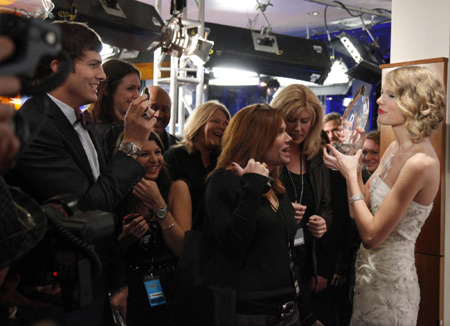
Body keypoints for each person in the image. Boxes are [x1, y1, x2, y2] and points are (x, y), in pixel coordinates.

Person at [5, 21, 157, 326]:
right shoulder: (35, 126)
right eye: (93, 64)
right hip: (53, 295)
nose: (102, 75)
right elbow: (87, 209)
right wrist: (130, 144)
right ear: (58, 68)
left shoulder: (80, 122)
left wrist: (117, 281)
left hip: (93, 285)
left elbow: (107, 216)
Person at [323, 66, 445, 325]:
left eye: (390, 95)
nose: (379, 100)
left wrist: (351, 171)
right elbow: (358, 210)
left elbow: (370, 236)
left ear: (413, 103)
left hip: (391, 287)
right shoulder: (392, 149)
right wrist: (353, 164)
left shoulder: (420, 163)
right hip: (367, 279)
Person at [205, 103, 300, 325]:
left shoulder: (275, 184)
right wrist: (253, 185)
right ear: (256, 138)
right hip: (249, 312)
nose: (289, 138)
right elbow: (234, 243)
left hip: (287, 307)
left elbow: (285, 253)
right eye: (279, 132)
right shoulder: (224, 180)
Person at [116, 131, 191, 326]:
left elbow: (183, 250)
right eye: (144, 154)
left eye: (157, 152)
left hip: (171, 285)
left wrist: (159, 204)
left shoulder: (177, 189)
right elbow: (108, 255)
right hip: (130, 288)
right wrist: (125, 239)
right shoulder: (116, 193)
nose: (154, 160)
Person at [271, 84, 330, 326]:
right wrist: (283, 213)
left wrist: (323, 222)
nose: (298, 128)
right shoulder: (269, 153)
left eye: (305, 121)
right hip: (273, 262)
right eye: (291, 120)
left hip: (305, 260)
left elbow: (326, 205)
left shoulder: (316, 155)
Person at [164, 100, 230, 216]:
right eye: (215, 121)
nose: (222, 127)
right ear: (199, 122)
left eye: (226, 124)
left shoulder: (223, 161)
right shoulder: (175, 157)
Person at [89, 58, 142, 160]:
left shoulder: (92, 126)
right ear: (107, 90)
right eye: (130, 88)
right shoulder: (116, 132)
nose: (137, 95)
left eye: (138, 89)